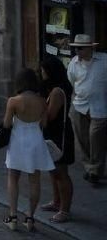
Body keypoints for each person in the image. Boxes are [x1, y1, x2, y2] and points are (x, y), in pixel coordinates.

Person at [3, 68, 55, 232]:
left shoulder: (13, 101)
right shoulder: (42, 101)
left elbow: (6, 125)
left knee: (13, 177)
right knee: (35, 180)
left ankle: (12, 216)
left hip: (18, 141)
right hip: (35, 141)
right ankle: (30, 217)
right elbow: (44, 124)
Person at [66, 34, 107, 185]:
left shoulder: (103, 61)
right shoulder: (73, 63)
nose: (77, 51)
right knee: (83, 139)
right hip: (80, 105)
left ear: (90, 48)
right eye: (76, 48)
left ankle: (95, 170)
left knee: (95, 138)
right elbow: (72, 82)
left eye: (81, 48)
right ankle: (91, 169)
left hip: (100, 106)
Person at [40, 55, 76, 224]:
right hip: (53, 133)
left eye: (43, 70)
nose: (41, 73)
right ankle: (56, 202)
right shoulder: (55, 88)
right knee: (53, 170)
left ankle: (65, 209)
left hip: (58, 134)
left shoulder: (56, 91)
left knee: (61, 172)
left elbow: (50, 115)